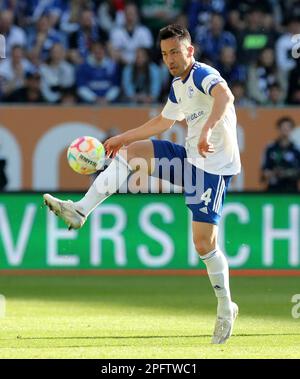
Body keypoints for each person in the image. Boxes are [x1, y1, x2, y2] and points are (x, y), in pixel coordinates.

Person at [43, 24, 240, 344]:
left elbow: (225, 96)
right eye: (164, 54)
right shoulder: (178, 85)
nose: (170, 59)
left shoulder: (203, 74)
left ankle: (224, 306)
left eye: (176, 52)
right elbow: (163, 122)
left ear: (190, 50)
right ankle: (80, 210)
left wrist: (206, 131)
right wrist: (122, 137)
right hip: (191, 159)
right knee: (132, 152)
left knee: (203, 244)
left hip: (214, 167)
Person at [261, 117, 300, 192]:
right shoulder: (271, 148)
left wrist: (287, 173)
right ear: (278, 129)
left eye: (288, 128)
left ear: (292, 130)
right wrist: (274, 173)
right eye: (283, 128)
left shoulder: (296, 150)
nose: (285, 130)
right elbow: (264, 171)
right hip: (273, 189)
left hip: (291, 189)